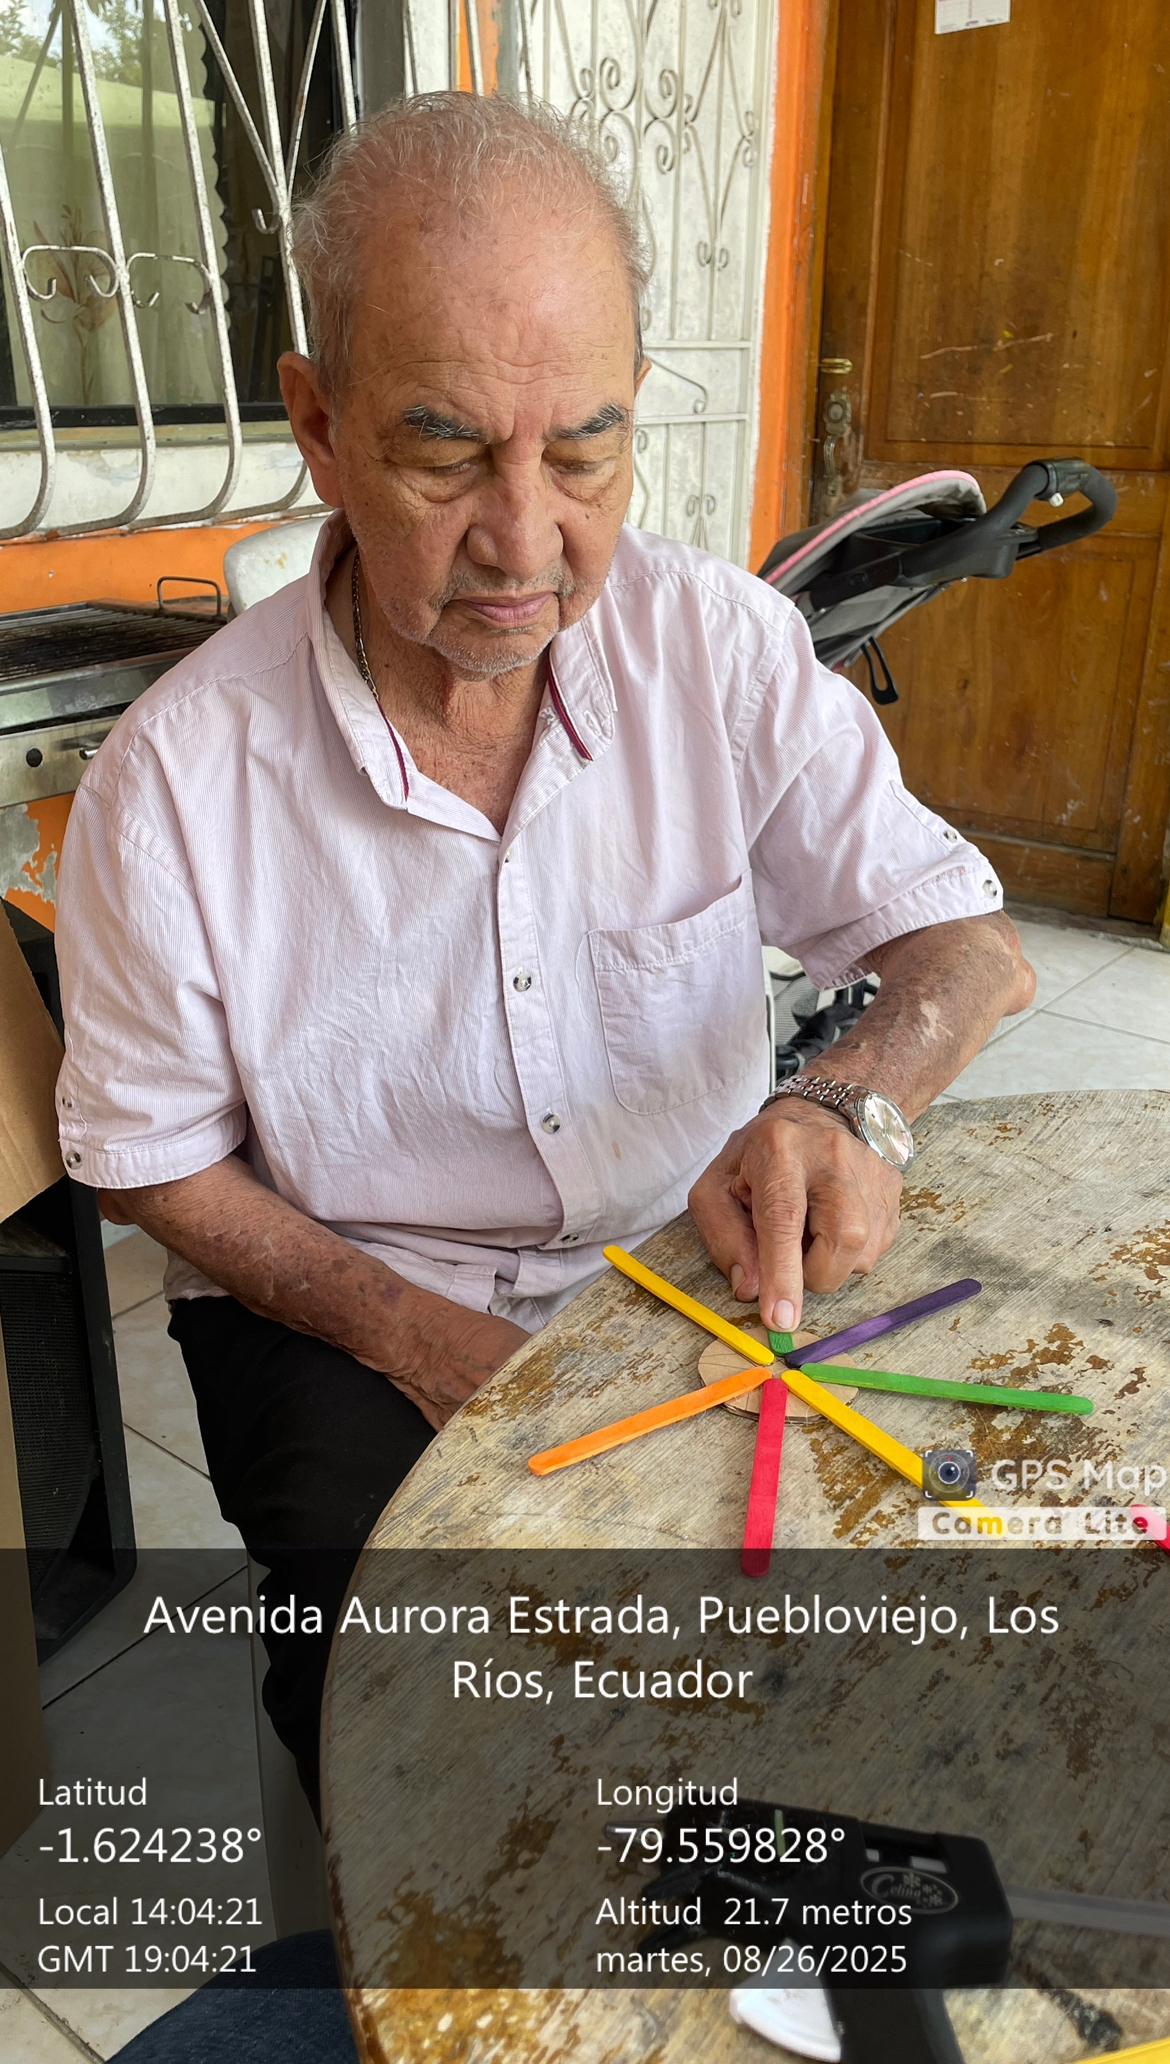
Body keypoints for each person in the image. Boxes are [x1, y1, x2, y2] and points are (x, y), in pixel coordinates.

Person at [54, 93, 1034, 1816]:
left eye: (583, 452)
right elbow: (149, 1162)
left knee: (892, 1637)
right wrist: (415, 1335)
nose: (526, 542)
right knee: (426, 1728)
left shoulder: (716, 647)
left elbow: (962, 945)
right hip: (351, 1294)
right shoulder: (177, 780)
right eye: (445, 455)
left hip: (690, 1251)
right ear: (318, 423)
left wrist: (844, 1105)